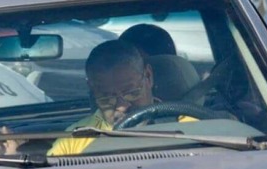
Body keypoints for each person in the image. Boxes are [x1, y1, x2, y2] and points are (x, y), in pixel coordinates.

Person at [49, 39, 199, 156]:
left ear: (148, 77)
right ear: (93, 89)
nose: (121, 106)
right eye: (106, 97)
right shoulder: (74, 139)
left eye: (132, 92)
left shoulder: (188, 126)